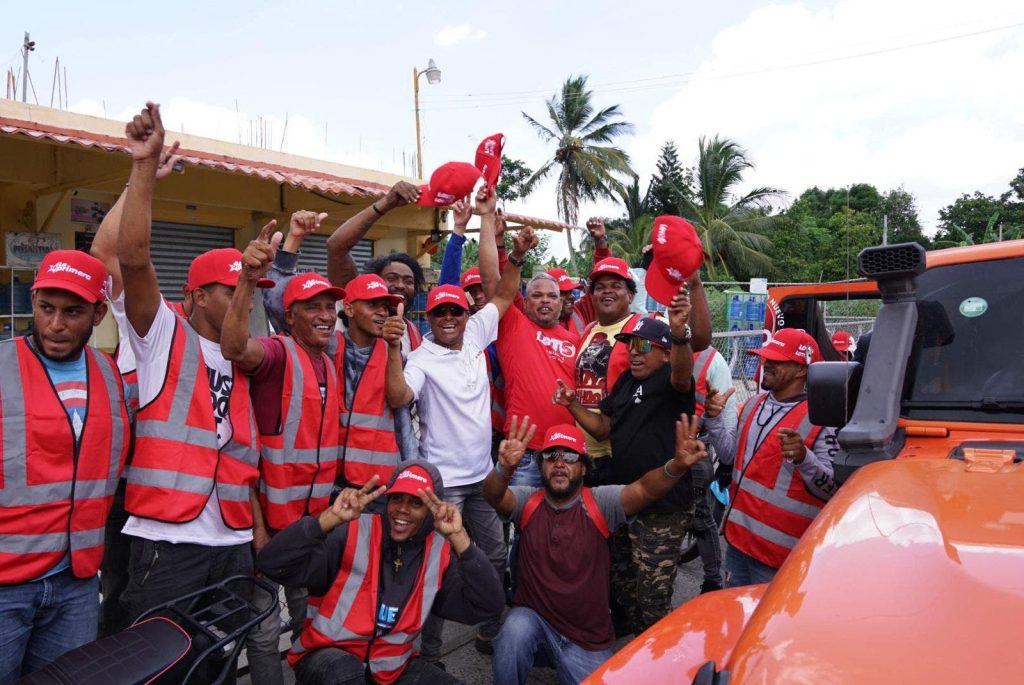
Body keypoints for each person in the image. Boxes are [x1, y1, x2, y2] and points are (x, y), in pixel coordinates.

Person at [116, 102, 265, 681]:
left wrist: (251, 531)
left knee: (218, 664)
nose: (244, 300)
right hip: (167, 538)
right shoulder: (160, 336)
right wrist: (143, 169)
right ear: (197, 294)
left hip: (228, 535)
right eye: (233, 290)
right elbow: (132, 259)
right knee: (157, 667)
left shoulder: (249, 353)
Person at [383, 187, 532, 658]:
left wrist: (519, 258)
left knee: (489, 556)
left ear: (467, 314)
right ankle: (426, 651)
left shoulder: (477, 334)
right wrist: (392, 349)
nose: (449, 318)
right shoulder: (422, 356)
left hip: (484, 478)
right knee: (436, 562)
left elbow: (505, 293)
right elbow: (398, 395)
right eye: (441, 312)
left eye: (457, 311)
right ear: (430, 315)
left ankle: (491, 630)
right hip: (442, 485)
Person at [483, 418, 707, 685]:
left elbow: (645, 489)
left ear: (584, 467)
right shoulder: (527, 501)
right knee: (512, 632)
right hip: (535, 624)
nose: (559, 463)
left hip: (586, 641)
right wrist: (503, 468)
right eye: (551, 455)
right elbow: (494, 496)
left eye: (569, 455)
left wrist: (677, 466)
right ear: (541, 464)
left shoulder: (600, 503)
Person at [221, 225, 346, 685]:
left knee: (310, 619)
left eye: (330, 307)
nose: (325, 315)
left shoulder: (330, 365)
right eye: (312, 307)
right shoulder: (276, 353)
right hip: (268, 531)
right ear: (288, 317)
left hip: (312, 528)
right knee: (263, 625)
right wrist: (247, 282)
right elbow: (234, 347)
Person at [0, 250, 130, 681]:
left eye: (72, 312)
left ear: (98, 313)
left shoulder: (108, 373)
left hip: (76, 580)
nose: (56, 324)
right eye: (46, 308)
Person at [258, 461, 505, 685]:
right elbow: (272, 563)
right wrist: (326, 520)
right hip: (325, 657)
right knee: (346, 673)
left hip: (391, 670)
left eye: (416, 503)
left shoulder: (438, 553)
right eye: (397, 498)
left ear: (431, 512)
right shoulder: (351, 532)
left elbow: (487, 606)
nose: (403, 509)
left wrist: (459, 538)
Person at [554, 290, 700, 634]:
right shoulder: (623, 383)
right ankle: (636, 645)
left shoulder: (672, 383)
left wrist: (679, 333)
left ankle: (657, 657)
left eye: (644, 347)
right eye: (631, 346)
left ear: (665, 354)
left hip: (663, 507)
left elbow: (682, 370)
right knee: (622, 582)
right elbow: (604, 428)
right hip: (623, 500)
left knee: (653, 596)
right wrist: (572, 405)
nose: (635, 353)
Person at [87, 138, 184, 637]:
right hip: (130, 489)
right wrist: (140, 179)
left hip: (196, 506)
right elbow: (109, 253)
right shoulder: (154, 325)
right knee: (121, 592)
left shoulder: (232, 346)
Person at [704, 328, 839, 587]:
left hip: (782, 557)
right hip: (738, 544)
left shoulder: (823, 419)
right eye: (767, 358)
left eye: (777, 360)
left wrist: (803, 458)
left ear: (802, 369)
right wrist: (714, 418)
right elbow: (729, 455)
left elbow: (833, 490)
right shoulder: (754, 404)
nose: (767, 364)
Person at [479, 219, 579, 488]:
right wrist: (514, 253)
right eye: (536, 295)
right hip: (523, 452)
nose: (545, 300)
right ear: (525, 299)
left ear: (562, 302)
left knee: (562, 527)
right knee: (522, 523)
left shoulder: (576, 340)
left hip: (566, 452)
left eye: (552, 296)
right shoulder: (513, 325)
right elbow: (492, 282)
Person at [326, 182, 427, 353]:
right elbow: (336, 247)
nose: (400, 285)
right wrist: (386, 203)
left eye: (408, 281)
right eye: (392, 278)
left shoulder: (412, 333)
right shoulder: (355, 313)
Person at [572, 254, 644, 485]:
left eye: (616, 286)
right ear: (592, 296)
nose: (607, 291)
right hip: (585, 453)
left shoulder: (640, 329)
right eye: (600, 287)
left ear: (630, 294)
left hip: (619, 453)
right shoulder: (590, 330)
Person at [688, 344, 738, 593]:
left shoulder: (712, 359)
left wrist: (728, 462)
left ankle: (712, 579)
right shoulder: (659, 344)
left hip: (696, 448)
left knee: (701, 517)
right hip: (662, 446)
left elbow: (726, 409)